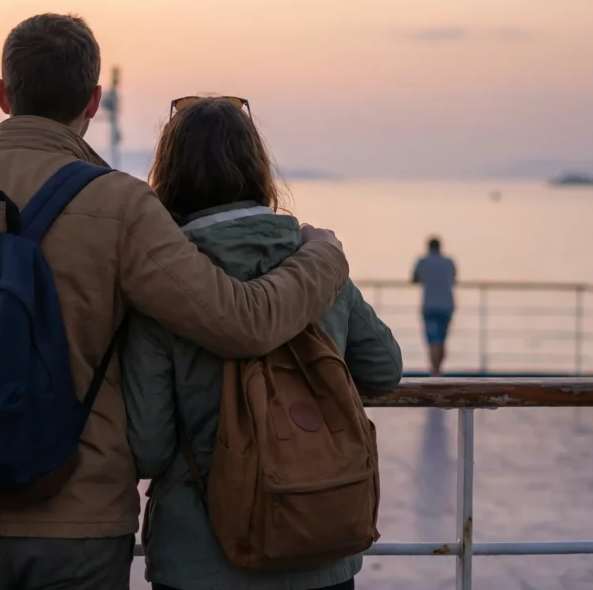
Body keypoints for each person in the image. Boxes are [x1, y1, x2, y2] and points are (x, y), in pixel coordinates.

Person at [0, 13, 351, 590]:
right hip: (78, 516)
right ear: (94, 100)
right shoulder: (121, 206)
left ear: (4, 95)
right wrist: (324, 259)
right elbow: (241, 322)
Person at [122, 96, 403, 590]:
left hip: (200, 560)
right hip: (320, 547)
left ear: (170, 175)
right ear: (257, 168)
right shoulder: (316, 260)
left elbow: (147, 446)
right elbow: (383, 368)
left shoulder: (166, 281)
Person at [412, 236, 457, 376]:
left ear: (428, 247)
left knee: (433, 341)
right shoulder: (449, 262)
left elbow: (414, 279)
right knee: (442, 340)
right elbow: (454, 279)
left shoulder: (423, 261)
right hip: (447, 305)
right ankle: (438, 370)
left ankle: (434, 371)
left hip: (430, 305)